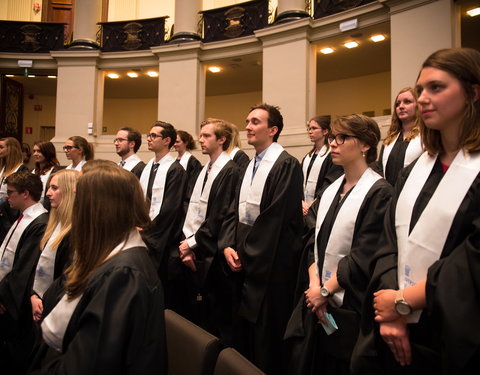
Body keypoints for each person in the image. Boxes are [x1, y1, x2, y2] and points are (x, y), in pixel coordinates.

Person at [352, 48, 480, 375]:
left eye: (436, 88)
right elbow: (388, 240)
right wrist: (390, 308)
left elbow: (471, 261)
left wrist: (402, 301)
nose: (422, 98)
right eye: (420, 89)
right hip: (393, 325)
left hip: (451, 332)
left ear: (472, 93)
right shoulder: (415, 170)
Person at [30, 165, 166, 374]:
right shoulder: (104, 257)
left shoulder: (123, 276)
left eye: (79, 200)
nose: (73, 209)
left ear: (98, 209)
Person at [285, 114, 393, 375]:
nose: (334, 143)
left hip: (349, 304)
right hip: (315, 298)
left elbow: (364, 254)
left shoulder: (379, 191)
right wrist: (314, 287)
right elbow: (312, 238)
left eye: (343, 138)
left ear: (366, 145)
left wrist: (325, 292)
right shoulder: (331, 189)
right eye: (333, 137)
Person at [224, 103, 304, 374]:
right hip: (245, 258)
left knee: (265, 340)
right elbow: (234, 209)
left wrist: (245, 252)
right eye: (247, 121)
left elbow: (276, 219)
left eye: (255, 122)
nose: (247, 126)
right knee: (243, 337)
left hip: (270, 264)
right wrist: (228, 246)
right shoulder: (249, 164)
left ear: (273, 130)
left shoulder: (286, 164)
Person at [180, 118, 239, 343]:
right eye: (201, 135)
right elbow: (193, 207)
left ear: (222, 139)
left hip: (211, 251)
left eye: (206, 136)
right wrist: (187, 242)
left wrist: (192, 244)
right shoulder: (205, 169)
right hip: (195, 246)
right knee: (198, 313)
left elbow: (219, 215)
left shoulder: (230, 170)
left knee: (216, 316)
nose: (200, 140)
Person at [0, 171, 48, 373]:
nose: (6, 197)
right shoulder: (23, 217)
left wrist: (3, 297)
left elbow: (23, 269)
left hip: (14, 306)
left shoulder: (39, 222)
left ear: (25, 194)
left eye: (11, 193)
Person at [139, 121, 186, 307]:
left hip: (160, 239)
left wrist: (146, 232)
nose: (149, 139)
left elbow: (169, 209)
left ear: (167, 140)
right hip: (142, 231)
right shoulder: (149, 166)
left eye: (153, 136)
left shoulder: (175, 170)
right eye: (148, 135)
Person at [30, 169, 78, 324]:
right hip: (38, 302)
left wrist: (44, 300)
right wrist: (33, 295)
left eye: (54, 188)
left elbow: (67, 278)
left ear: (70, 191)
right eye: (49, 188)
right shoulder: (52, 226)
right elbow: (36, 266)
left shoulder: (76, 233)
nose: (48, 194)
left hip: (56, 308)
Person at [376, 87, 423, 185]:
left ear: (418, 106)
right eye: (398, 104)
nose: (401, 106)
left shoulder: (425, 137)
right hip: (389, 195)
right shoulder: (389, 140)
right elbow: (380, 169)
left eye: (407, 102)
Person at [301, 115, 343, 216]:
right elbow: (299, 180)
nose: (310, 131)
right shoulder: (308, 157)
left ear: (325, 131)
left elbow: (330, 183)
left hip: (321, 207)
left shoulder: (332, 156)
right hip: (303, 207)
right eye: (309, 128)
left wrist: (314, 203)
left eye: (314, 128)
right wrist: (301, 201)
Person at [0, 137, 29, 242]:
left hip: (12, 214)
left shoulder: (22, 170)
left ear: (11, 149)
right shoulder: (2, 168)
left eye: (1, 147)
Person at [174, 130, 202, 211]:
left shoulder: (193, 162)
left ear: (185, 143)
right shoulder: (174, 161)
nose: (174, 144)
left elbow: (192, 186)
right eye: (174, 142)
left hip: (185, 204)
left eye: (177, 142)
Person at [32, 141, 62, 208]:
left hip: (48, 208)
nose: (35, 154)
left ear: (47, 152)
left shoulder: (56, 171)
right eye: (34, 151)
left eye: (39, 151)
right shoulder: (33, 171)